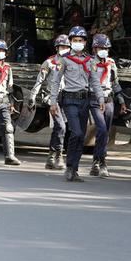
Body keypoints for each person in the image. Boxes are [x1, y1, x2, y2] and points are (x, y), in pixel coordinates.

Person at [50, 26, 104, 182]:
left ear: (85, 42)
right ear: (71, 42)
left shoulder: (90, 60)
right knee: (77, 132)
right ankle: (69, 167)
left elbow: (95, 81)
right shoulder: (64, 59)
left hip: (85, 100)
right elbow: (55, 80)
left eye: (80, 40)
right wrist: (53, 101)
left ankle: (74, 169)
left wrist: (100, 98)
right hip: (69, 100)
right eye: (75, 40)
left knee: (81, 136)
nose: (78, 43)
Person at [28, 34, 70, 170]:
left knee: (60, 128)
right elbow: (40, 80)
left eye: (66, 47)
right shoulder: (49, 62)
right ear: (57, 48)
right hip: (53, 98)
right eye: (62, 46)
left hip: (67, 98)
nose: (64, 49)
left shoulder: (72, 62)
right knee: (61, 126)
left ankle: (51, 156)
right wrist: (32, 97)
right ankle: (58, 155)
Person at [89, 33, 127, 177]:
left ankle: (98, 161)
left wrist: (122, 101)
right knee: (102, 128)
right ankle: (101, 160)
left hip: (108, 99)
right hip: (94, 100)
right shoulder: (89, 63)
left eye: (105, 48)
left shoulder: (111, 63)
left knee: (105, 132)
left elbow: (115, 83)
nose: (103, 50)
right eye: (100, 47)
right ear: (94, 49)